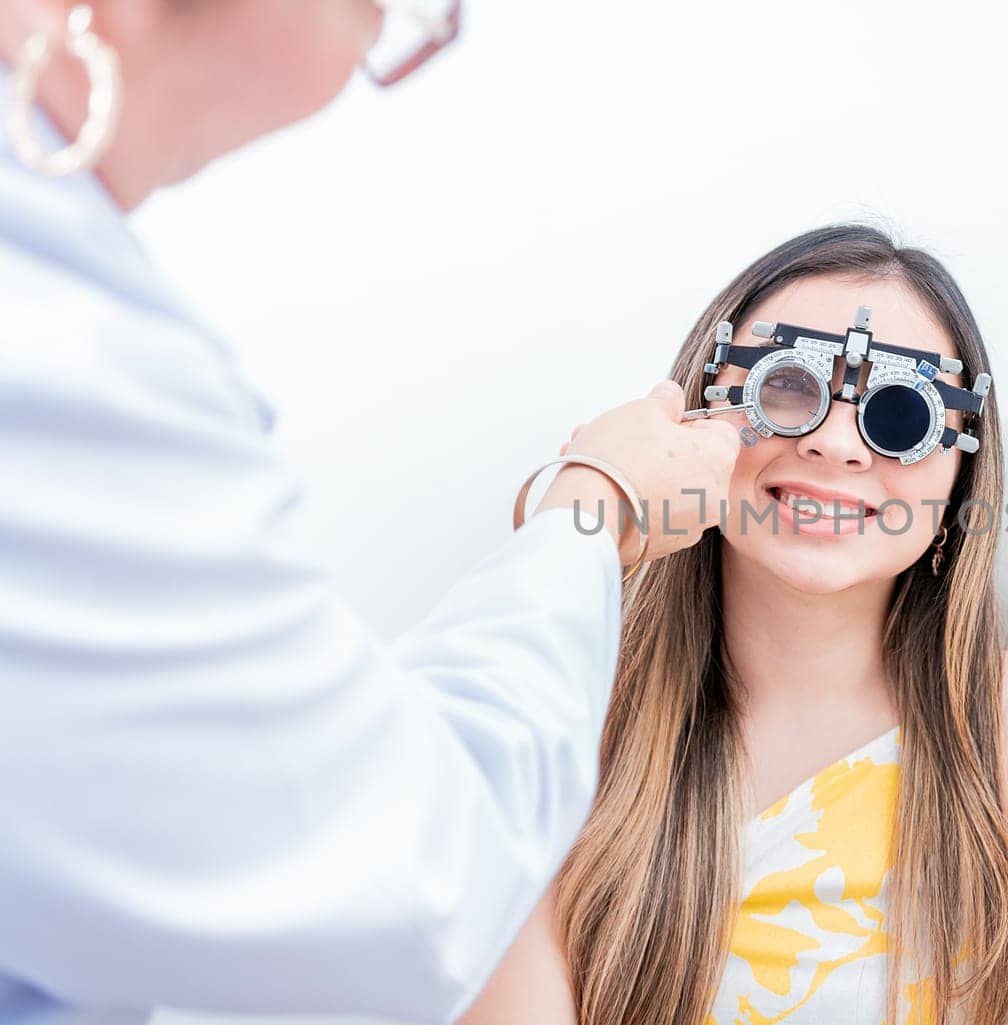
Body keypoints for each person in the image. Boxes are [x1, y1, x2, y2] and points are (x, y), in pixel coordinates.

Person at [0, 2, 740, 1023]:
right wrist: (589, 508)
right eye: (372, 18)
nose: (836, 443)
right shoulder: (55, 337)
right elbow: (409, 894)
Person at [460, 225, 1008, 1025]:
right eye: (786, 387)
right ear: (695, 419)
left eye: (900, 411)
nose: (837, 443)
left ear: (959, 482)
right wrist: (592, 500)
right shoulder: (560, 722)